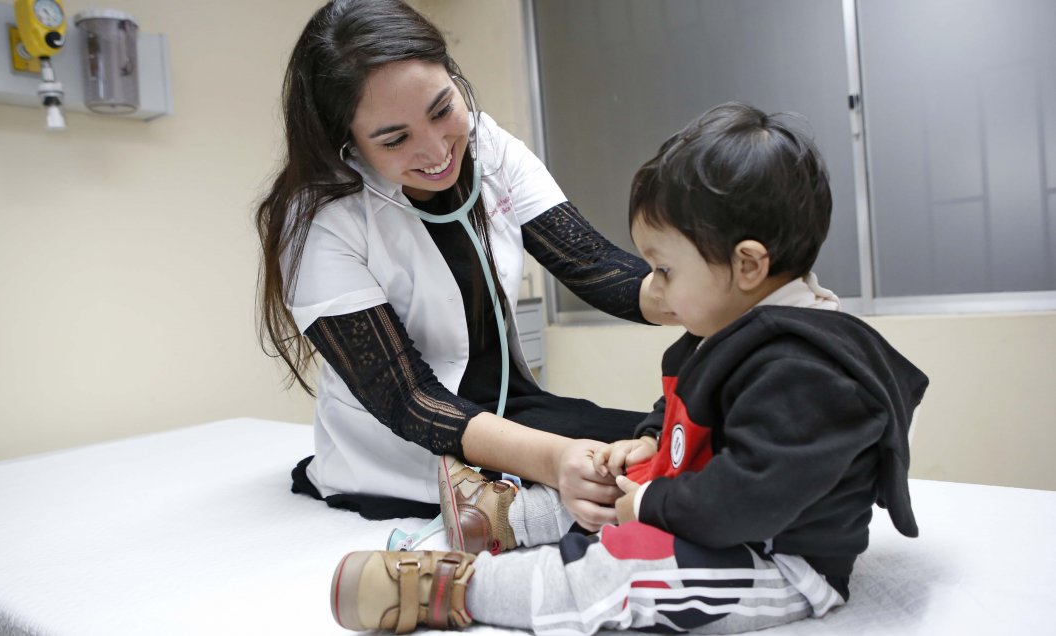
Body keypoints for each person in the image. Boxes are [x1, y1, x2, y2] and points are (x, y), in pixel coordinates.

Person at [329, 102, 930, 635]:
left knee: (627, 571)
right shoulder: (727, 329)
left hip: (777, 561)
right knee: (601, 476)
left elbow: (750, 499)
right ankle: (505, 520)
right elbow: (682, 412)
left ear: (748, 265)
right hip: (713, 509)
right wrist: (644, 446)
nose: (657, 288)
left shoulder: (808, 369)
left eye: (665, 270)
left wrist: (649, 507)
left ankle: (459, 590)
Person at [255, 0, 673, 530]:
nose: (437, 150)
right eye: (394, 138)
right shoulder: (320, 221)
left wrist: (722, 294)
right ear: (348, 146)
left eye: (441, 109)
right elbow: (408, 399)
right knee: (625, 487)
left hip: (512, 410)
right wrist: (555, 462)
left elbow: (594, 266)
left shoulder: (490, 147)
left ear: (454, 77)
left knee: (683, 449)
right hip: (406, 445)